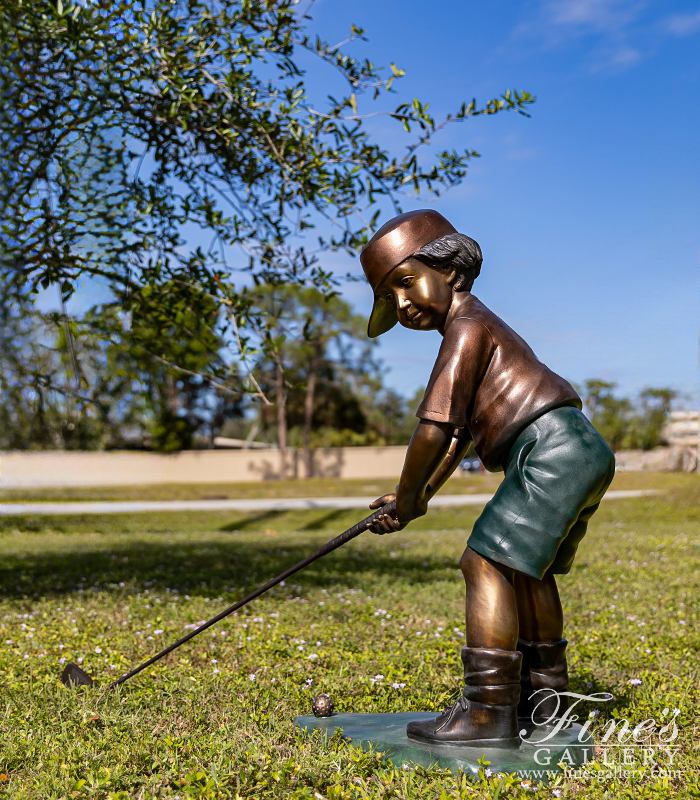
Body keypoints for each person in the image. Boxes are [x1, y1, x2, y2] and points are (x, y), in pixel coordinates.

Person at [360, 209, 615, 747]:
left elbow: (432, 430)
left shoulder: (466, 328)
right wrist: (420, 496)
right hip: (578, 446)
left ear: (449, 268)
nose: (402, 305)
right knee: (527, 569)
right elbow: (459, 437)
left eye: (406, 283)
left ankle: (487, 714)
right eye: (389, 297)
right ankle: (546, 700)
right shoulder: (476, 325)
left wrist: (407, 500)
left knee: (485, 562)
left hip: (550, 449)